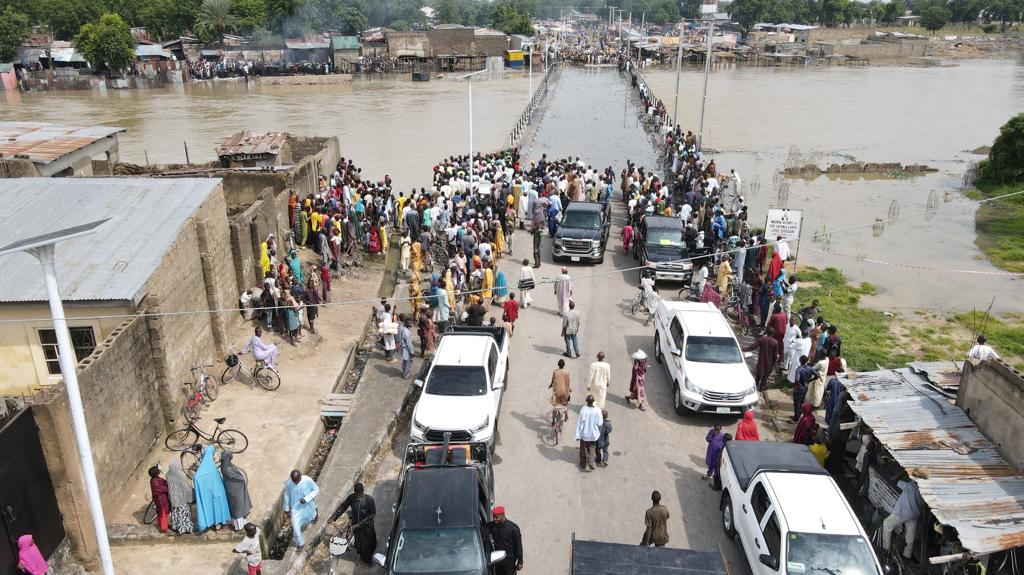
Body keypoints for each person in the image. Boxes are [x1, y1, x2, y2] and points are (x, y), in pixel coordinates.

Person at [882, 468, 929, 559]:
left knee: (887, 524)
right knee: (910, 538)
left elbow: (893, 480)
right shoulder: (924, 491)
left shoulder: (909, 486)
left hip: (902, 513)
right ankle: (907, 555)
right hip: (914, 516)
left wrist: (904, 471)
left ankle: (886, 548)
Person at [337, 483, 377, 567]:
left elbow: (372, 514)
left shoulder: (369, 500)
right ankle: (364, 554)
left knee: (367, 544)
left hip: (367, 527)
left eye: (360, 494)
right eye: (357, 494)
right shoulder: (351, 498)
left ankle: (367, 560)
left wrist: (359, 524)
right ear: (354, 493)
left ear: (363, 492)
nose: (358, 496)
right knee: (360, 542)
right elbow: (343, 506)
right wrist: (334, 517)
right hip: (355, 525)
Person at [194, 445, 231, 532]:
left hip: (206, 495)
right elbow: (218, 481)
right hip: (216, 493)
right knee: (217, 508)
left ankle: (212, 523)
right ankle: (218, 524)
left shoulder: (200, 470)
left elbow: (197, 479)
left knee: (209, 508)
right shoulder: (213, 468)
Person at [283, 469, 319, 548]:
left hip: (307, 504)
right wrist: (286, 509)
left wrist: (306, 499)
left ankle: (315, 514)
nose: (295, 482)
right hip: (295, 508)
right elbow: (287, 496)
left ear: (300, 476)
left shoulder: (307, 480)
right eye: (294, 481)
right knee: (295, 526)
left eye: (297, 480)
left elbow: (316, 489)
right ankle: (300, 544)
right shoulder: (289, 484)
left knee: (311, 515)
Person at [220, 452, 253, 531]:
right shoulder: (228, 469)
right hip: (235, 490)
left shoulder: (223, 465)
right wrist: (242, 478)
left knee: (236, 507)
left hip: (231, 489)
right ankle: (239, 527)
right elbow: (239, 477)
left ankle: (237, 524)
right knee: (238, 507)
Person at [487, 506, 524, 575]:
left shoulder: (513, 528)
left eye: (497, 517)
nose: (494, 519)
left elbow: (518, 546)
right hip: (498, 560)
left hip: (509, 561)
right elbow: (483, 530)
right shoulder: (492, 525)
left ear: (503, 515)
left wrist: (520, 561)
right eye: (493, 517)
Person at [167, 460, 195, 534]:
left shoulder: (168, 475)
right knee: (184, 514)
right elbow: (185, 486)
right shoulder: (181, 474)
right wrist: (191, 494)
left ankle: (178, 528)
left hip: (173, 498)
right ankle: (187, 529)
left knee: (177, 514)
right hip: (181, 498)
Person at [576, 395, 603, 471]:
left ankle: (583, 464)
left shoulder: (583, 410)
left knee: (583, 449)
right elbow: (600, 423)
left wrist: (578, 435)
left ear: (586, 401)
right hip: (593, 434)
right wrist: (599, 433)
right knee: (592, 448)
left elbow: (580, 424)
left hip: (584, 435)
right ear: (593, 401)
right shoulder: (597, 410)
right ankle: (591, 462)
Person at [792, 355, 818, 423]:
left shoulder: (799, 369)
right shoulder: (810, 368)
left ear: (800, 361)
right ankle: (798, 416)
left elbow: (797, 380)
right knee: (801, 402)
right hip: (805, 388)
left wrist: (797, 385)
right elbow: (817, 375)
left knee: (797, 404)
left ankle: (796, 418)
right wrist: (810, 380)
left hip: (798, 389)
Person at [148, 465, 170, 533]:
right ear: (156, 473)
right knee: (163, 513)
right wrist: (169, 488)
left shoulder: (155, 479)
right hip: (160, 500)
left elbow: (163, 482)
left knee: (160, 512)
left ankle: (161, 525)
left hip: (159, 499)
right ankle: (164, 528)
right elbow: (161, 488)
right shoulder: (154, 481)